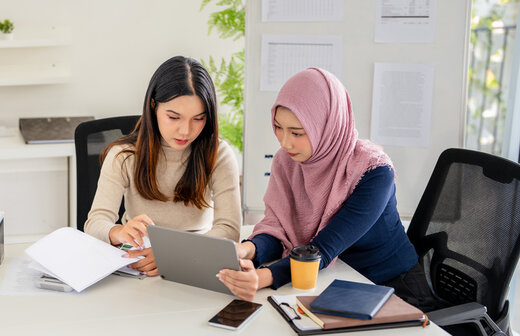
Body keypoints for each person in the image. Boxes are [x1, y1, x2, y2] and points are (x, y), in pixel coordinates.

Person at [217, 68, 436, 312]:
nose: (284, 142)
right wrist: (247, 250)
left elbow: (323, 248)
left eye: (297, 133)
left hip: (394, 289)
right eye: (279, 127)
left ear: (326, 126)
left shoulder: (374, 172)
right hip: (335, 283)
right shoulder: (288, 161)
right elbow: (279, 229)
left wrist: (263, 278)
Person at [84, 56, 242, 276]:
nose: (185, 131)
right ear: (153, 105)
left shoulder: (219, 154)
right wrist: (118, 232)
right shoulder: (124, 155)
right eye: (174, 117)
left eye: (198, 118)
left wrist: (171, 254)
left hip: (198, 259)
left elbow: (229, 230)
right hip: (138, 263)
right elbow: (95, 223)